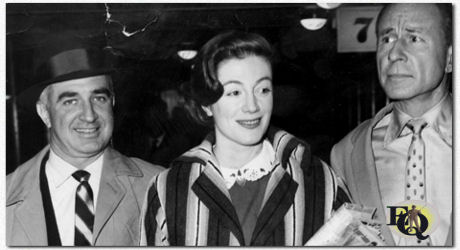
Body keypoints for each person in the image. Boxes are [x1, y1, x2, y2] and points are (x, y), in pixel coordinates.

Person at [141, 31, 351, 246]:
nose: (252, 106)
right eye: (234, 92)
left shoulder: (319, 180)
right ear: (206, 104)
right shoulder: (169, 188)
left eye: (263, 89)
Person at [6, 34, 164, 246]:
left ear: (113, 102)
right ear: (44, 112)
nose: (89, 115)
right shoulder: (6, 195)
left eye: (99, 98)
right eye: (70, 101)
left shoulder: (159, 187)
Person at [330, 3, 452, 246]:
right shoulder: (347, 154)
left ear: (451, 58)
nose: (394, 53)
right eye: (386, 39)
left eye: (414, 38)